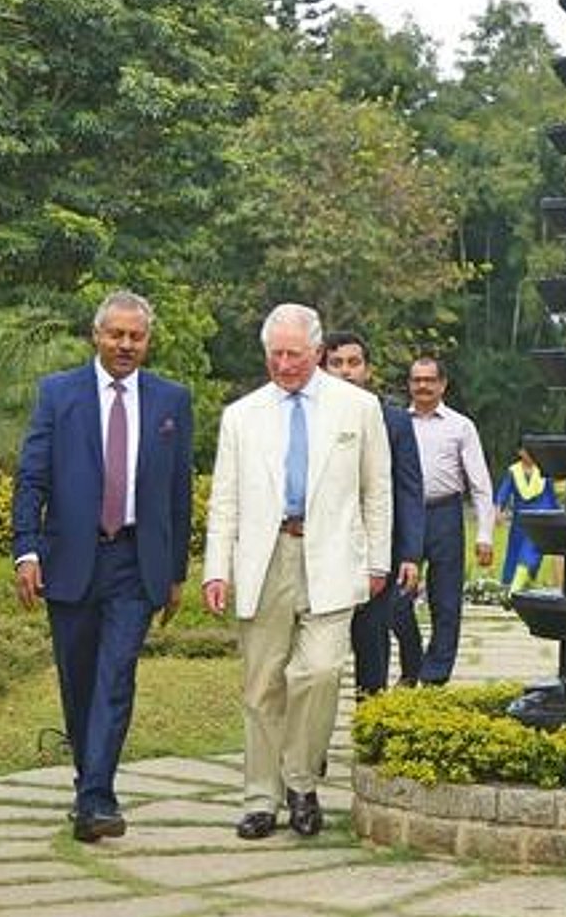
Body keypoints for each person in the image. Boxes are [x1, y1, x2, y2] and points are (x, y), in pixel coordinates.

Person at [203, 304, 392, 840]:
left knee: (322, 672)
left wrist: (378, 558)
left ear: (316, 352)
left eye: (294, 354)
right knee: (262, 685)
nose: (284, 364)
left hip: (331, 557)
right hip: (265, 558)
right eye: (275, 354)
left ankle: (302, 782)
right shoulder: (242, 415)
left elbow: (376, 490)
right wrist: (217, 568)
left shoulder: (358, 408)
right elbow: (225, 500)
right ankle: (261, 797)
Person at [12, 290, 194, 843]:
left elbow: (178, 490)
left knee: (116, 678)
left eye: (136, 336)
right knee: (80, 681)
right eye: (116, 334)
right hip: (70, 558)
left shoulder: (171, 401)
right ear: (97, 335)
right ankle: (87, 783)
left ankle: (98, 799)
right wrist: (27, 549)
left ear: (147, 341)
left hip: (135, 563)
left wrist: (176, 571)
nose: (125, 345)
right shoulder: (58, 394)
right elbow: (32, 477)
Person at [322, 331, 424, 698]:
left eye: (354, 363)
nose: (346, 371)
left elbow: (410, 491)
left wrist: (411, 553)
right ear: (323, 368)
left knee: (372, 637)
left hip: (378, 548)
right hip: (324, 545)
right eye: (336, 363)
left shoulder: (394, 421)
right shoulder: (312, 416)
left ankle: (371, 716)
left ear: (367, 369)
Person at [393, 356, 494, 685]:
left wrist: (485, 534)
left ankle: (435, 673)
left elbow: (480, 484)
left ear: (442, 384)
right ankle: (412, 662)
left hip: (445, 514)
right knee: (396, 597)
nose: (422, 386)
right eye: (416, 380)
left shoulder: (460, 426)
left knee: (446, 599)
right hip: (405, 515)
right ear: (409, 384)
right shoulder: (395, 422)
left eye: (429, 380)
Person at [494, 446, 558, 595]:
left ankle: (514, 590)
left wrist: (556, 515)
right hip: (520, 521)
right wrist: (498, 510)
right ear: (519, 452)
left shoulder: (542, 471)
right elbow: (504, 491)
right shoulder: (514, 471)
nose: (529, 454)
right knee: (515, 553)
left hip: (540, 519)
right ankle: (515, 586)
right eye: (526, 450)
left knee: (530, 551)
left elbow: (550, 495)